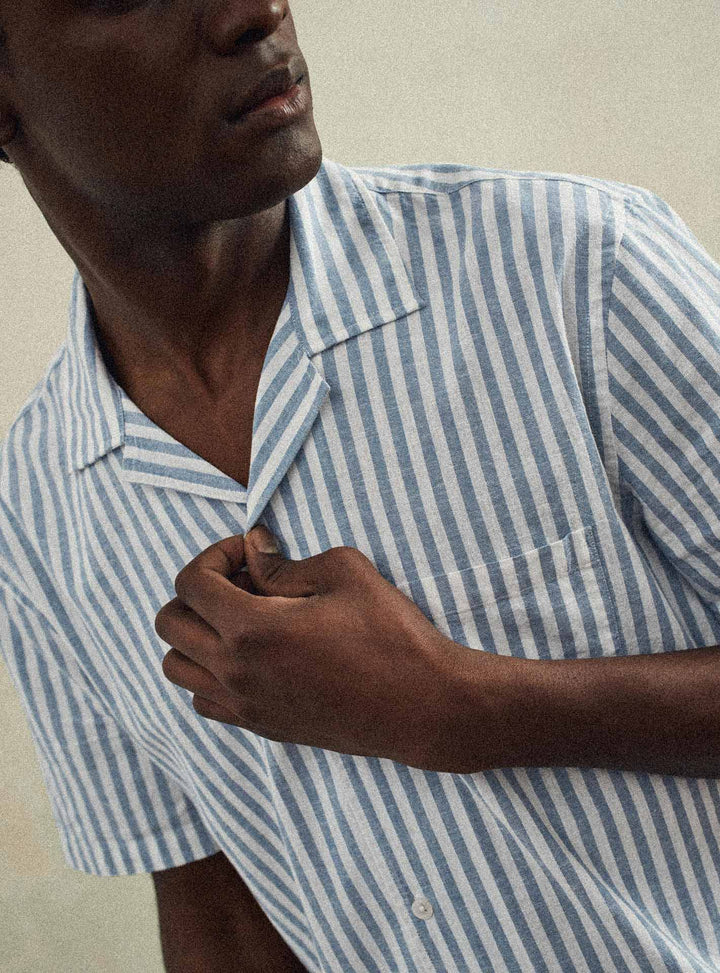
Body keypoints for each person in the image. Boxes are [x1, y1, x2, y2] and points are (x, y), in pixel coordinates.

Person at [1, 1, 720, 970]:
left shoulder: (579, 268)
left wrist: (467, 705)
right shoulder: (36, 505)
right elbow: (222, 914)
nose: (257, 11)